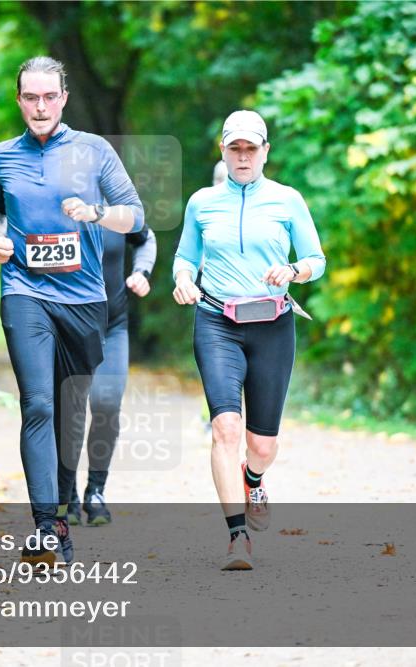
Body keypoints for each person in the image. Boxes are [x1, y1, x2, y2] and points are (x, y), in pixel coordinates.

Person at [0, 56, 145, 564]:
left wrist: (96, 212)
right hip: (24, 291)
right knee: (37, 404)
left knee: (70, 410)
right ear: (19, 100)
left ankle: (67, 505)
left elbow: (135, 215)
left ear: (64, 99)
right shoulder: (2, 156)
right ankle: (47, 526)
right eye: (30, 97)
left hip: (83, 300)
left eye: (49, 96)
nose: (39, 106)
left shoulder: (93, 151)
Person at [172, 110, 326, 570]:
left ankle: (253, 477)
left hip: (272, 325)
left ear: (265, 153)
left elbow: (316, 258)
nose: (242, 157)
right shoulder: (202, 202)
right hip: (216, 320)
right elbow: (185, 256)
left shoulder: (287, 200)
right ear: (223, 150)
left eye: (251, 149)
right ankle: (237, 536)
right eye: (234, 148)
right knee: (225, 429)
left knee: (261, 445)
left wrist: (294, 271)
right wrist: (182, 279)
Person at [66, 224, 156, 526]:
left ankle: (95, 491)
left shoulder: (116, 208)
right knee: (69, 409)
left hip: (112, 325)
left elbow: (146, 238)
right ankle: (68, 495)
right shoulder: (55, 202)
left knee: (106, 403)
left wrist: (141, 271)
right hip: (67, 324)